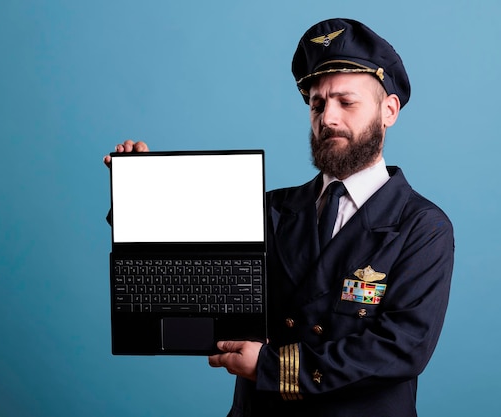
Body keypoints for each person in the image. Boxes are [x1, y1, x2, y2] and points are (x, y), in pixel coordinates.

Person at [104, 18, 454, 417]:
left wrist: (270, 367)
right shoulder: (271, 207)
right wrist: (140, 191)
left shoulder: (424, 227)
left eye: (346, 101)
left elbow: (401, 348)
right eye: (317, 104)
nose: (328, 119)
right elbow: (185, 258)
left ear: (388, 110)